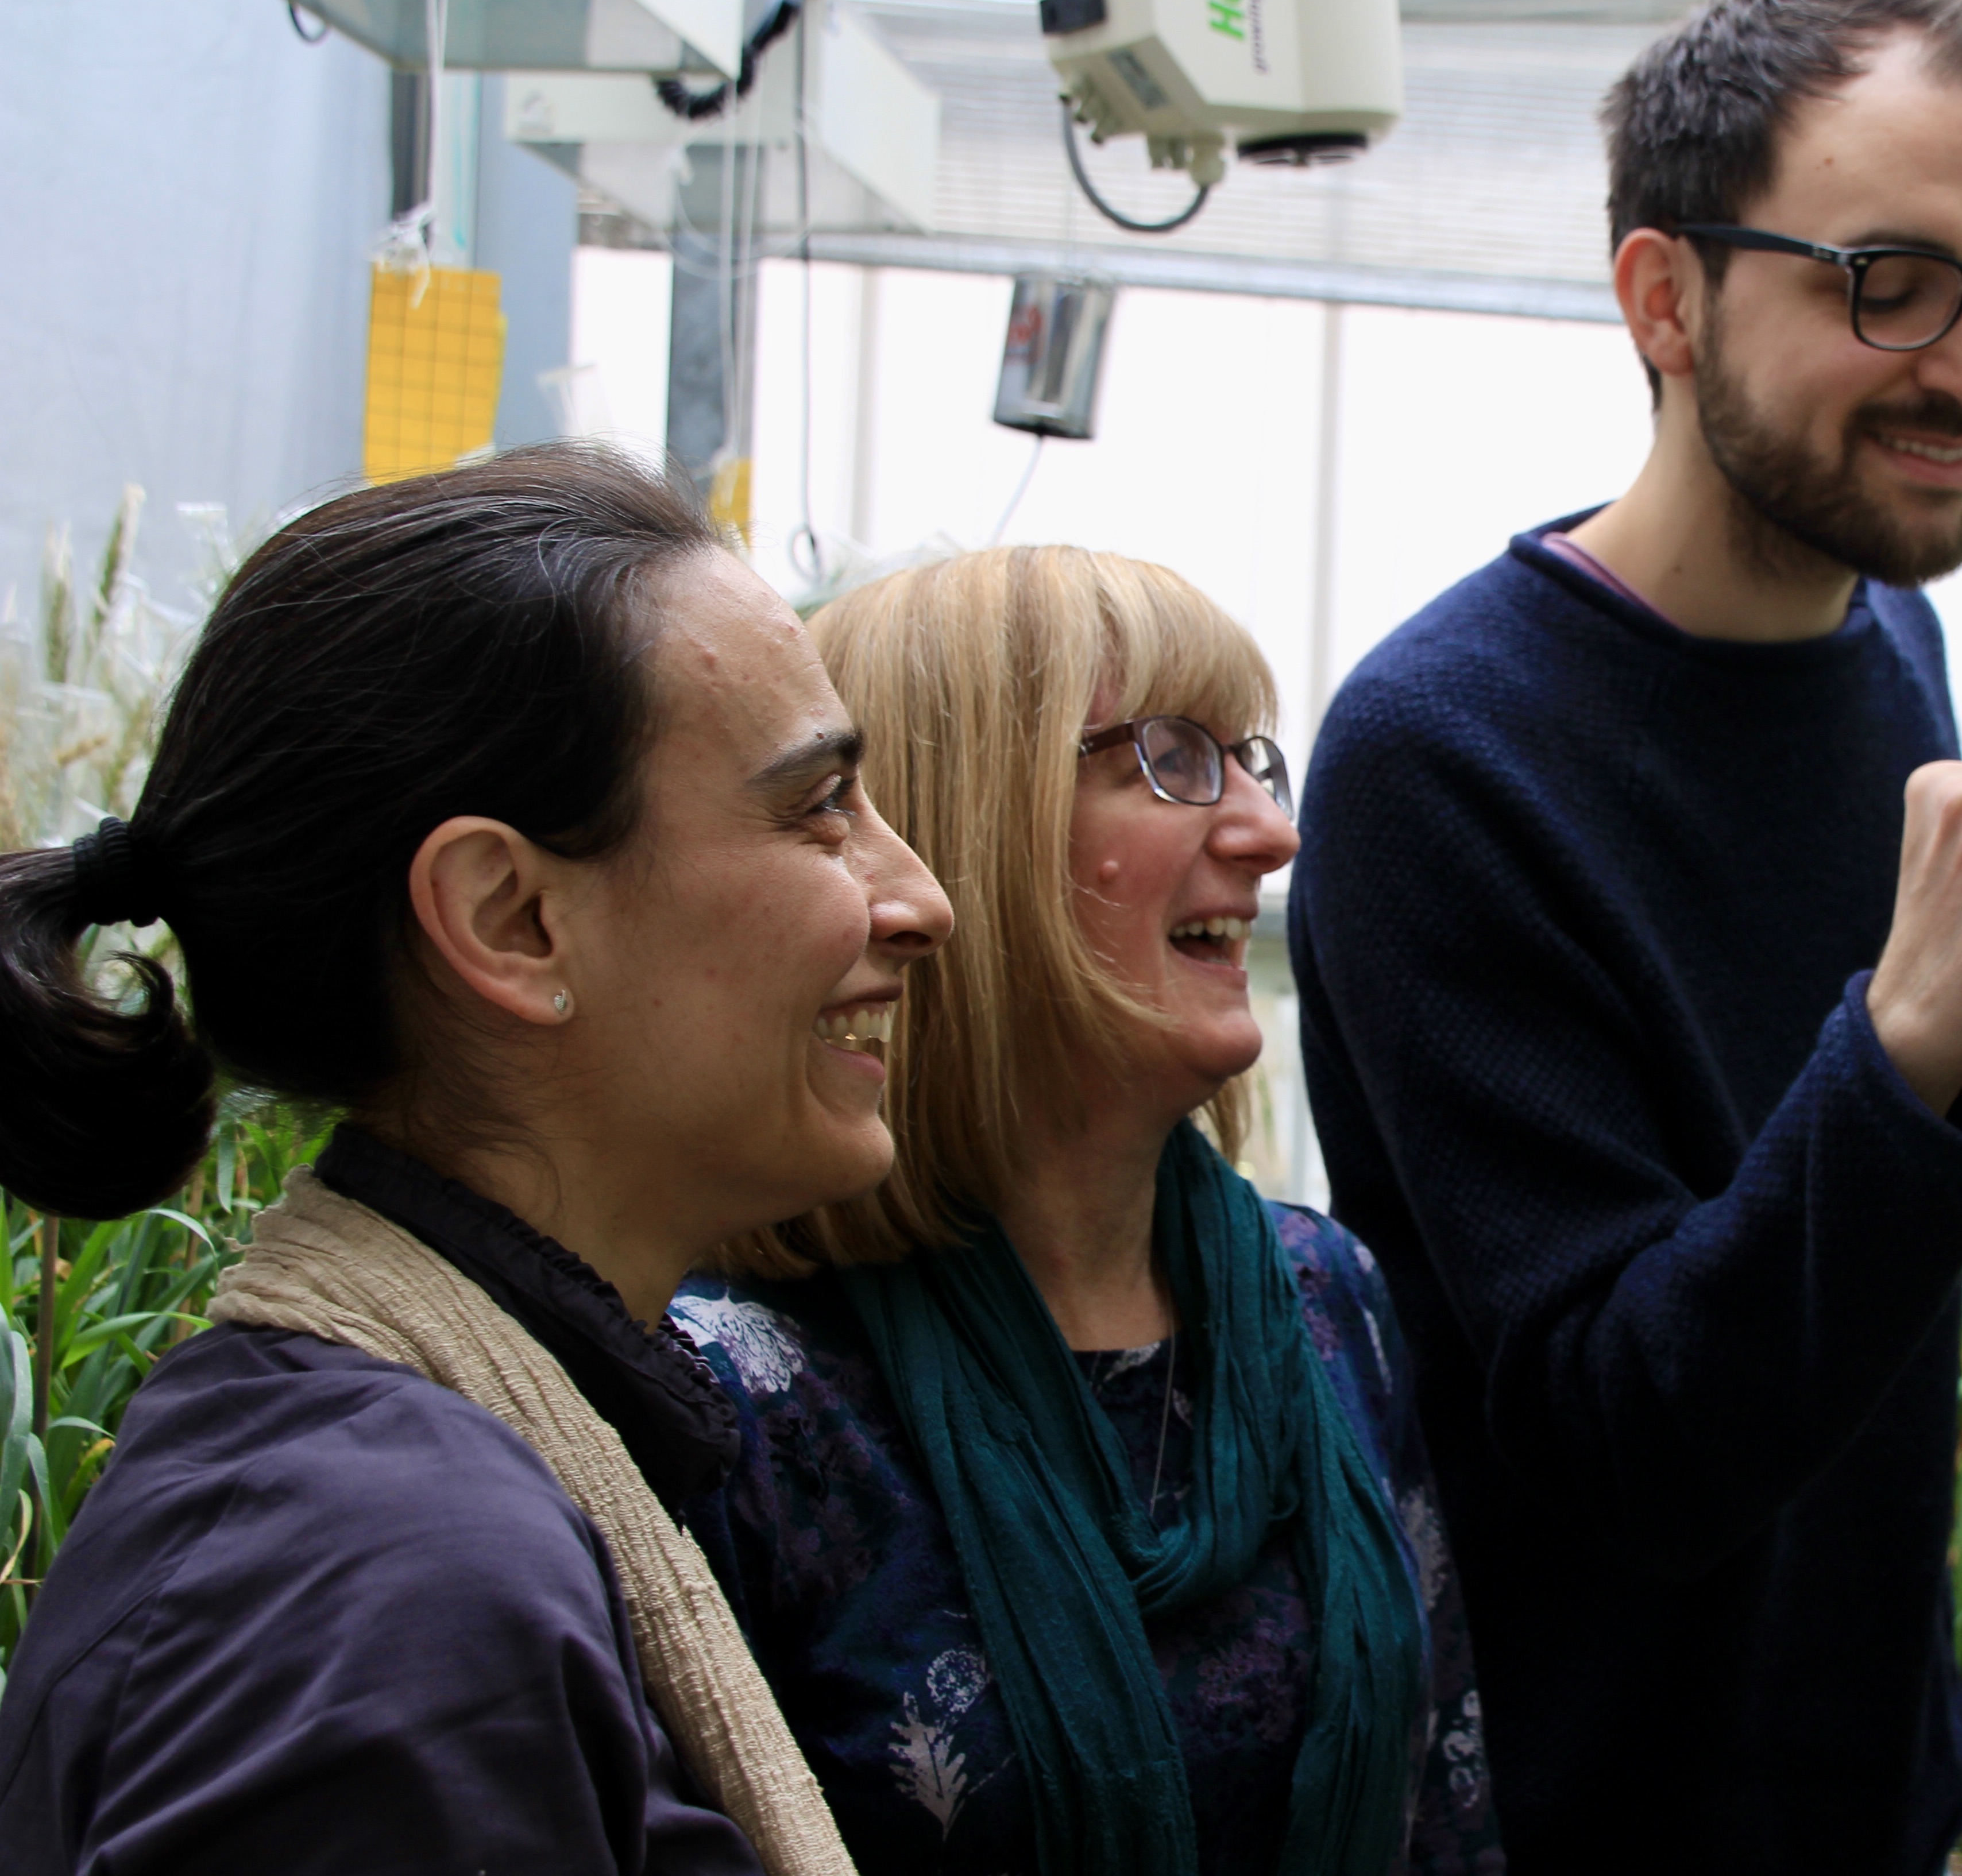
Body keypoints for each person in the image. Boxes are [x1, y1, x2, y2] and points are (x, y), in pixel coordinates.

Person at [1286, 0, 1962, 1876]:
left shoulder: (1894, 641)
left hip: (1881, 1793)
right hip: (1587, 1819)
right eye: (1890, 285)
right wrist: (1905, 1041)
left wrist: (1927, 1756)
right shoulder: (1442, 753)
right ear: (1663, 294)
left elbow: (1841, 1364)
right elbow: (1621, 1442)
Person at [0, 443, 954, 1876]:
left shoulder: (404, 1495)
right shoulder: (384, 1586)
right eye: (818, 806)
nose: (921, 899)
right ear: (509, 919)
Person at [671, 544, 1500, 1876]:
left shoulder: (1321, 1293)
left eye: (1253, 761)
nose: (1270, 834)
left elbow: (1445, 1808)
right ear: (964, 824)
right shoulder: (731, 1388)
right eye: (1171, 760)